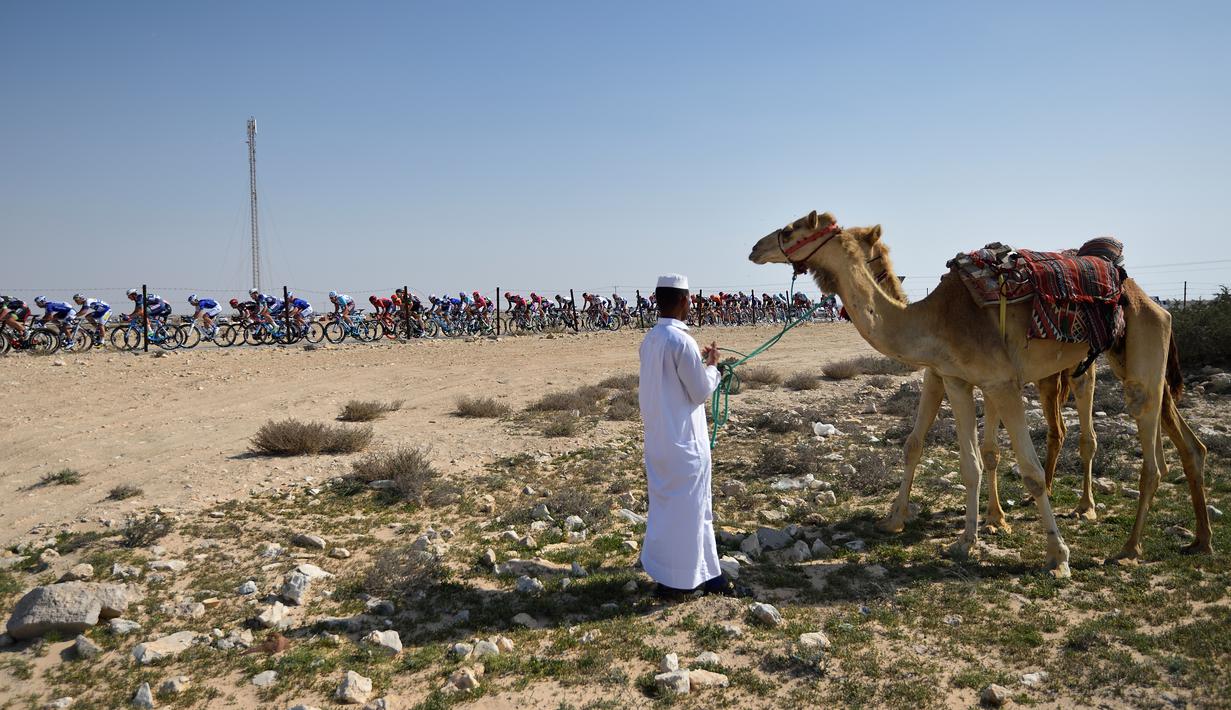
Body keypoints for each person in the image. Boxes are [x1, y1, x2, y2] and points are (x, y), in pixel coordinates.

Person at [638, 273, 735, 599]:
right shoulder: (681, 341)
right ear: (682, 301)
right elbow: (699, 390)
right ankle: (699, 579)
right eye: (689, 298)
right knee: (695, 511)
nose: (691, 303)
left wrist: (701, 361)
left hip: (659, 443)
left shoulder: (650, 340)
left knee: (668, 513)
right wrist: (713, 368)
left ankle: (684, 576)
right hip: (684, 446)